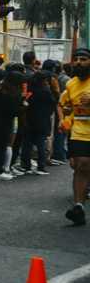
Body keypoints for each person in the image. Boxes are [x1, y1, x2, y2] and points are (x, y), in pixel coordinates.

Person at [58, 48, 90, 225]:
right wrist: (65, 120)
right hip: (79, 132)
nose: (78, 62)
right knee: (81, 165)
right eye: (76, 59)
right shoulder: (71, 84)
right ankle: (79, 206)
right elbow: (66, 106)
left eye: (83, 59)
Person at [19, 66, 58, 176]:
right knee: (41, 144)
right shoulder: (46, 91)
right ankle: (41, 167)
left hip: (29, 118)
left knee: (27, 143)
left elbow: (25, 102)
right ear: (44, 80)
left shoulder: (30, 90)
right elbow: (52, 103)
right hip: (42, 120)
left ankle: (26, 166)